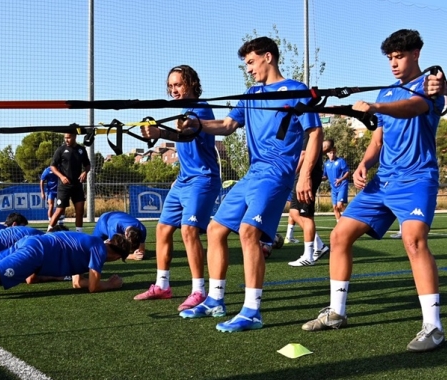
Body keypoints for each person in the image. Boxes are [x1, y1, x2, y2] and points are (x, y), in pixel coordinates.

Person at [152, 37, 322, 330]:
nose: (249, 69)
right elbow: (228, 126)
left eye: (251, 62)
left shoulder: (295, 90)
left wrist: (305, 174)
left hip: (277, 172)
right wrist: (198, 126)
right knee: (216, 229)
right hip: (253, 172)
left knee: (248, 232)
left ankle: (252, 310)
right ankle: (215, 300)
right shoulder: (250, 94)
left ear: (268, 57)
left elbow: (315, 133)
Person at [302, 29, 445, 352]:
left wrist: (376, 105)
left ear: (416, 54)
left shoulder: (431, 87)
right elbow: (379, 138)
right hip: (383, 181)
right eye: (390, 58)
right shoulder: (387, 90)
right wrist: (365, 164)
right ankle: (337, 313)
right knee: (339, 236)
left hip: (417, 179)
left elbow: (412, 108)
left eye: (400, 56)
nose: (394, 63)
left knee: (414, 240)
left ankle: (433, 327)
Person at [133, 65, 222, 312]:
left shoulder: (200, 108)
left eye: (178, 85)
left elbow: (190, 129)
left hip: (202, 180)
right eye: (171, 86)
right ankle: (162, 286)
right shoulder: (182, 109)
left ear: (192, 84)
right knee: (162, 230)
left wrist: (161, 130)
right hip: (182, 180)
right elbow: (180, 131)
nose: (173, 90)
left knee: (189, 231)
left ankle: (199, 291)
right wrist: (158, 131)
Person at [0, 231, 131, 302]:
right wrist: (112, 284)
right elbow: (93, 287)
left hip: (33, 244)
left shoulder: (90, 244)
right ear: (115, 253)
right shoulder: (99, 250)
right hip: (38, 251)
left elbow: (78, 283)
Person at [287, 134, 329, 267]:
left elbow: (304, 153)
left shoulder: (307, 129)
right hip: (302, 175)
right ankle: (319, 245)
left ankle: (308, 256)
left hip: (307, 175)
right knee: (294, 212)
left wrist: (291, 172)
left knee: (306, 215)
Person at [47, 132, 91, 233]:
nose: (66, 140)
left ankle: (79, 234)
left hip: (77, 186)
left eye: (68, 138)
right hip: (64, 187)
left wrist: (85, 172)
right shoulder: (60, 150)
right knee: (59, 211)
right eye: (65, 138)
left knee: (80, 211)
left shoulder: (81, 150)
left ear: (75, 137)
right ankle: (48, 232)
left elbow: (87, 164)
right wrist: (61, 177)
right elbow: (52, 166)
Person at [322, 139, 350, 221]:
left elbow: (347, 172)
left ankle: (351, 219)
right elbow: (325, 177)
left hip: (342, 185)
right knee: (335, 207)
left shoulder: (340, 161)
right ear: (327, 153)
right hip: (333, 188)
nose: (332, 154)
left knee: (339, 205)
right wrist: (318, 178)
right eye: (330, 153)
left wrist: (340, 179)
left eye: (333, 152)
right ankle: (340, 225)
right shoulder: (326, 164)